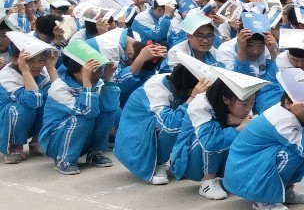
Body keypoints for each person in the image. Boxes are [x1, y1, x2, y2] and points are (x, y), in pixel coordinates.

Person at [221, 68, 304, 210]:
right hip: (244, 170)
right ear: (288, 103)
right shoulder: (283, 120)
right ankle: (263, 199)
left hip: (254, 164)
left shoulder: (288, 112)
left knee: (301, 148)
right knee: (292, 153)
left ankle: (285, 190)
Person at [113, 62, 202, 185]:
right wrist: (191, 98)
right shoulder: (155, 90)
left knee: (192, 117)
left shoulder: (176, 79)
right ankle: (158, 162)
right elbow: (169, 126)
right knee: (172, 125)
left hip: (146, 130)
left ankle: (177, 160)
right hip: (134, 139)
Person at [171, 76, 258, 199]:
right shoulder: (202, 103)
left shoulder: (243, 107)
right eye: (244, 104)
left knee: (248, 134)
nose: (249, 108)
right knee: (213, 136)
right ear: (226, 99)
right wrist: (239, 126)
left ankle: (228, 178)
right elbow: (209, 142)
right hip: (188, 159)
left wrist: (239, 122)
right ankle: (208, 181)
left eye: (252, 103)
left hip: (214, 155)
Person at [41, 46, 121, 176]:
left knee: (108, 113)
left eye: (98, 69)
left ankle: (95, 151)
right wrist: (87, 82)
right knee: (83, 116)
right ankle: (64, 160)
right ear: (76, 72)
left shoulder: (98, 82)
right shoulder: (59, 87)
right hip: (55, 141)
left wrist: (109, 78)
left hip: (81, 139)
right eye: (91, 70)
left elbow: (111, 107)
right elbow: (87, 111)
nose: (97, 73)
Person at [0, 34, 53, 164]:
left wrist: (51, 67)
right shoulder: (7, 76)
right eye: (30, 60)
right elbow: (33, 100)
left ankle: (37, 141)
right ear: (14, 59)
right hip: (6, 117)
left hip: (30, 113)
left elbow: (56, 93)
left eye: (41, 60)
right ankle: (14, 146)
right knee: (20, 108)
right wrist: (25, 71)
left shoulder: (42, 71)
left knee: (49, 99)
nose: (36, 65)